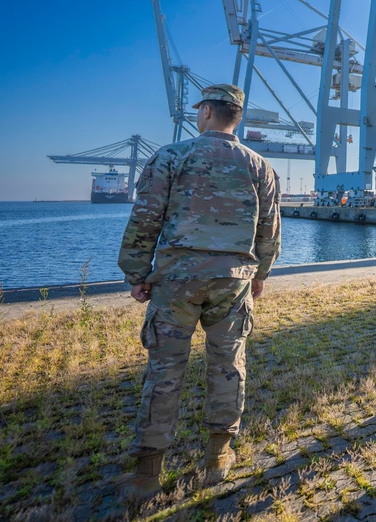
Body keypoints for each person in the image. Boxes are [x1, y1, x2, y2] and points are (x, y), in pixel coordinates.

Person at [116, 84, 281, 502]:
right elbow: (270, 231)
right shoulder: (260, 165)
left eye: (198, 111)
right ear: (236, 117)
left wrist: (137, 272)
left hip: (177, 281)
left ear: (206, 111)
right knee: (228, 365)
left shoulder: (172, 156)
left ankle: (148, 474)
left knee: (165, 370)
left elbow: (145, 218)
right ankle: (217, 459)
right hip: (233, 280)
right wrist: (259, 274)